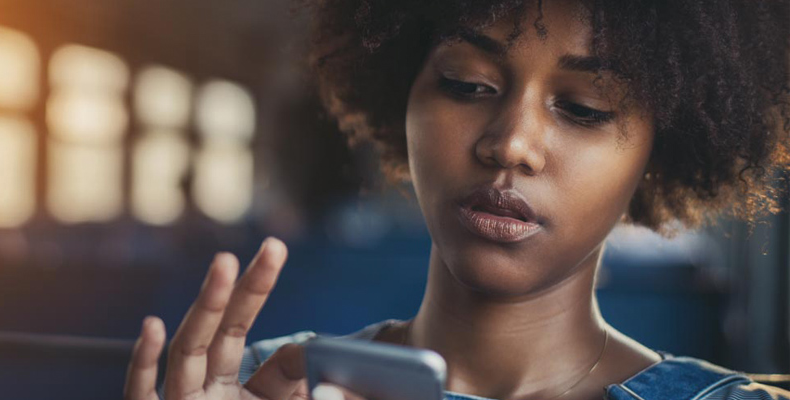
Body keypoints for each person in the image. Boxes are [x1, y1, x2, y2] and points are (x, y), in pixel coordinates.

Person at [123, 0, 790, 399]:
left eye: (584, 108)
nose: (512, 144)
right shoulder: (256, 384)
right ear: (401, 98)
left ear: (658, 152)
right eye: (467, 85)